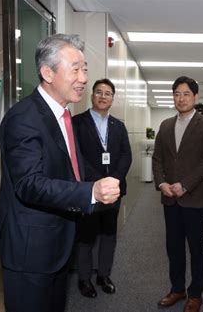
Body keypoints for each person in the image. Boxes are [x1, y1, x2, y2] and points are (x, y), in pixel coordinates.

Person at [0, 34, 120, 312]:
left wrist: (92, 182)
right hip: (31, 251)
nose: (84, 78)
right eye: (75, 69)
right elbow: (29, 184)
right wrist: (90, 192)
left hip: (58, 244)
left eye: (84, 69)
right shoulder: (24, 118)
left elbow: (67, 169)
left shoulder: (62, 115)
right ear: (47, 72)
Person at [152, 76, 203, 312]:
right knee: (174, 247)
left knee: (196, 248)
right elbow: (158, 158)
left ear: (195, 97)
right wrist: (162, 184)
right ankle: (177, 288)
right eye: (177, 94)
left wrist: (185, 184)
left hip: (195, 199)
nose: (181, 98)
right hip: (170, 198)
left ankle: (196, 294)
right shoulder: (166, 125)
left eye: (186, 94)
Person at [73, 78, 132, 298]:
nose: (103, 96)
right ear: (92, 96)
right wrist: (99, 182)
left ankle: (103, 275)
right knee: (86, 235)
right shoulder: (78, 122)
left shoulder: (118, 125)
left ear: (112, 98)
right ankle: (84, 279)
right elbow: (76, 156)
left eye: (108, 93)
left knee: (109, 234)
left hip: (114, 190)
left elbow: (126, 155)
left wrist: (114, 179)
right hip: (88, 190)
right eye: (99, 92)